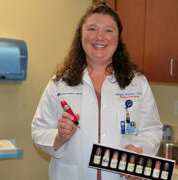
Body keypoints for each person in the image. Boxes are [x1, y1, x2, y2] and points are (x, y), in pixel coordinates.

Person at [31, 2, 162, 180]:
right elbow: (39, 131)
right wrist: (59, 137)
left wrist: (139, 150)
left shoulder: (137, 83)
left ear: (118, 38)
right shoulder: (60, 83)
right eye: (92, 29)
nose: (100, 37)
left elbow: (152, 130)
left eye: (108, 30)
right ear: (81, 35)